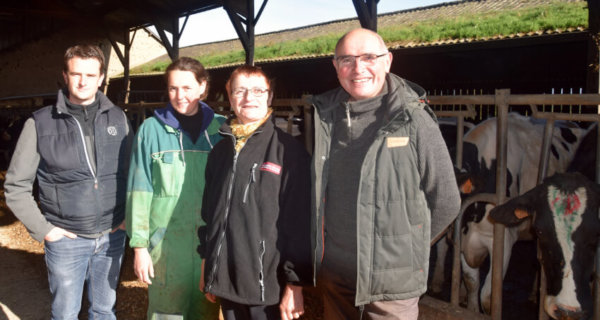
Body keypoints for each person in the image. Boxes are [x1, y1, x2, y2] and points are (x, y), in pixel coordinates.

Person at [310, 28, 461, 320]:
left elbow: (446, 200)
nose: (358, 69)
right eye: (347, 60)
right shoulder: (324, 118)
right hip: (336, 278)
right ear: (335, 66)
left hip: (390, 288)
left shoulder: (413, 119)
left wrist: (403, 250)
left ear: (388, 61)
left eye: (369, 57)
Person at [4, 44, 132, 320]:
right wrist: (45, 230)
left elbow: (133, 173)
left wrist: (128, 218)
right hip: (66, 240)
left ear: (101, 78)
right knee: (65, 314)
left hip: (113, 235)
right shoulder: (39, 124)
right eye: (76, 74)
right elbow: (16, 186)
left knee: (104, 310)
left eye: (90, 74)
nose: (83, 81)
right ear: (65, 75)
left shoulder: (119, 118)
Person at [198, 65, 311, 320]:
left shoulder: (289, 152)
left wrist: (295, 284)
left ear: (270, 97)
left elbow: (301, 225)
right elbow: (210, 213)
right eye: (241, 90)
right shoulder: (219, 153)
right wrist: (208, 263)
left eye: (258, 90)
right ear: (230, 96)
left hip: (267, 288)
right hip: (226, 280)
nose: (249, 98)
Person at [126, 56, 223, 320]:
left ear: (203, 86)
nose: (180, 95)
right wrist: (139, 246)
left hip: (209, 245)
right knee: (166, 314)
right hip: (166, 246)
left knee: (206, 311)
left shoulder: (221, 130)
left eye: (187, 88)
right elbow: (139, 189)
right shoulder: (150, 130)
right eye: (173, 88)